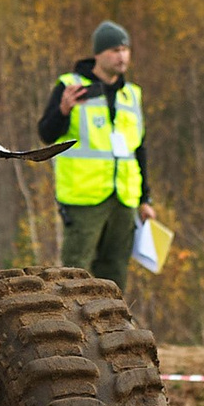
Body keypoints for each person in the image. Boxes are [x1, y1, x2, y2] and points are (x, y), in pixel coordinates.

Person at [38, 20, 156, 289]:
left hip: (123, 198)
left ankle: (112, 317)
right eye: (115, 50)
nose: (122, 56)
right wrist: (63, 110)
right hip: (84, 197)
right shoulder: (71, 85)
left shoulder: (132, 95)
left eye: (125, 50)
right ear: (98, 54)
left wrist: (144, 199)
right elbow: (46, 134)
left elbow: (139, 149)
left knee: (115, 274)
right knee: (73, 273)